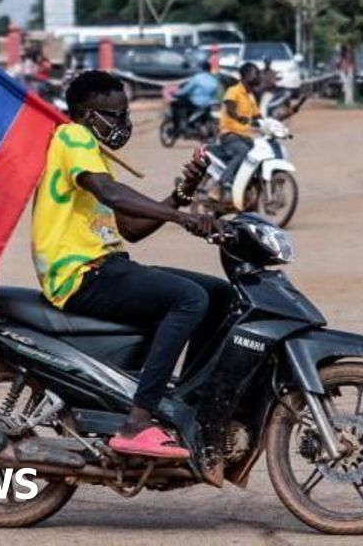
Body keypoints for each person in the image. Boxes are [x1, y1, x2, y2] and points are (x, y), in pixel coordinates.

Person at [32, 70, 233, 466]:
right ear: (88, 115)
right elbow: (112, 194)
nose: (123, 123)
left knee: (220, 294)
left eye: (125, 114)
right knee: (188, 298)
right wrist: (183, 218)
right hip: (80, 273)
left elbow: (132, 229)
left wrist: (182, 194)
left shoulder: (93, 152)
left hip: (109, 265)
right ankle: (137, 422)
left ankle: (186, 403)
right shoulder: (72, 138)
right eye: (114, 115)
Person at [216, 62, 261, 196]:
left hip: (245, 137)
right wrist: (238, 117)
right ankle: (225, 180)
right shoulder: (233, 91)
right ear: (245, 76)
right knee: (242, 151)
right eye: (255, 73)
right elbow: (230, 109)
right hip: (230, 134)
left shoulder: (251, 96)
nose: (258, 76)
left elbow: (259, 117)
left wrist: (289, 112)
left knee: (260, 152)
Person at [170, 60, 220, 132]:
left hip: (196, 102)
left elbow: (186, 90)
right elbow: (215, 93)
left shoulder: (197, 78)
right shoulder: (213, 79)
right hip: (209, 102)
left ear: (201, 69)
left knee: (175, 104)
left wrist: (176, 94)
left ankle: (176, 127)